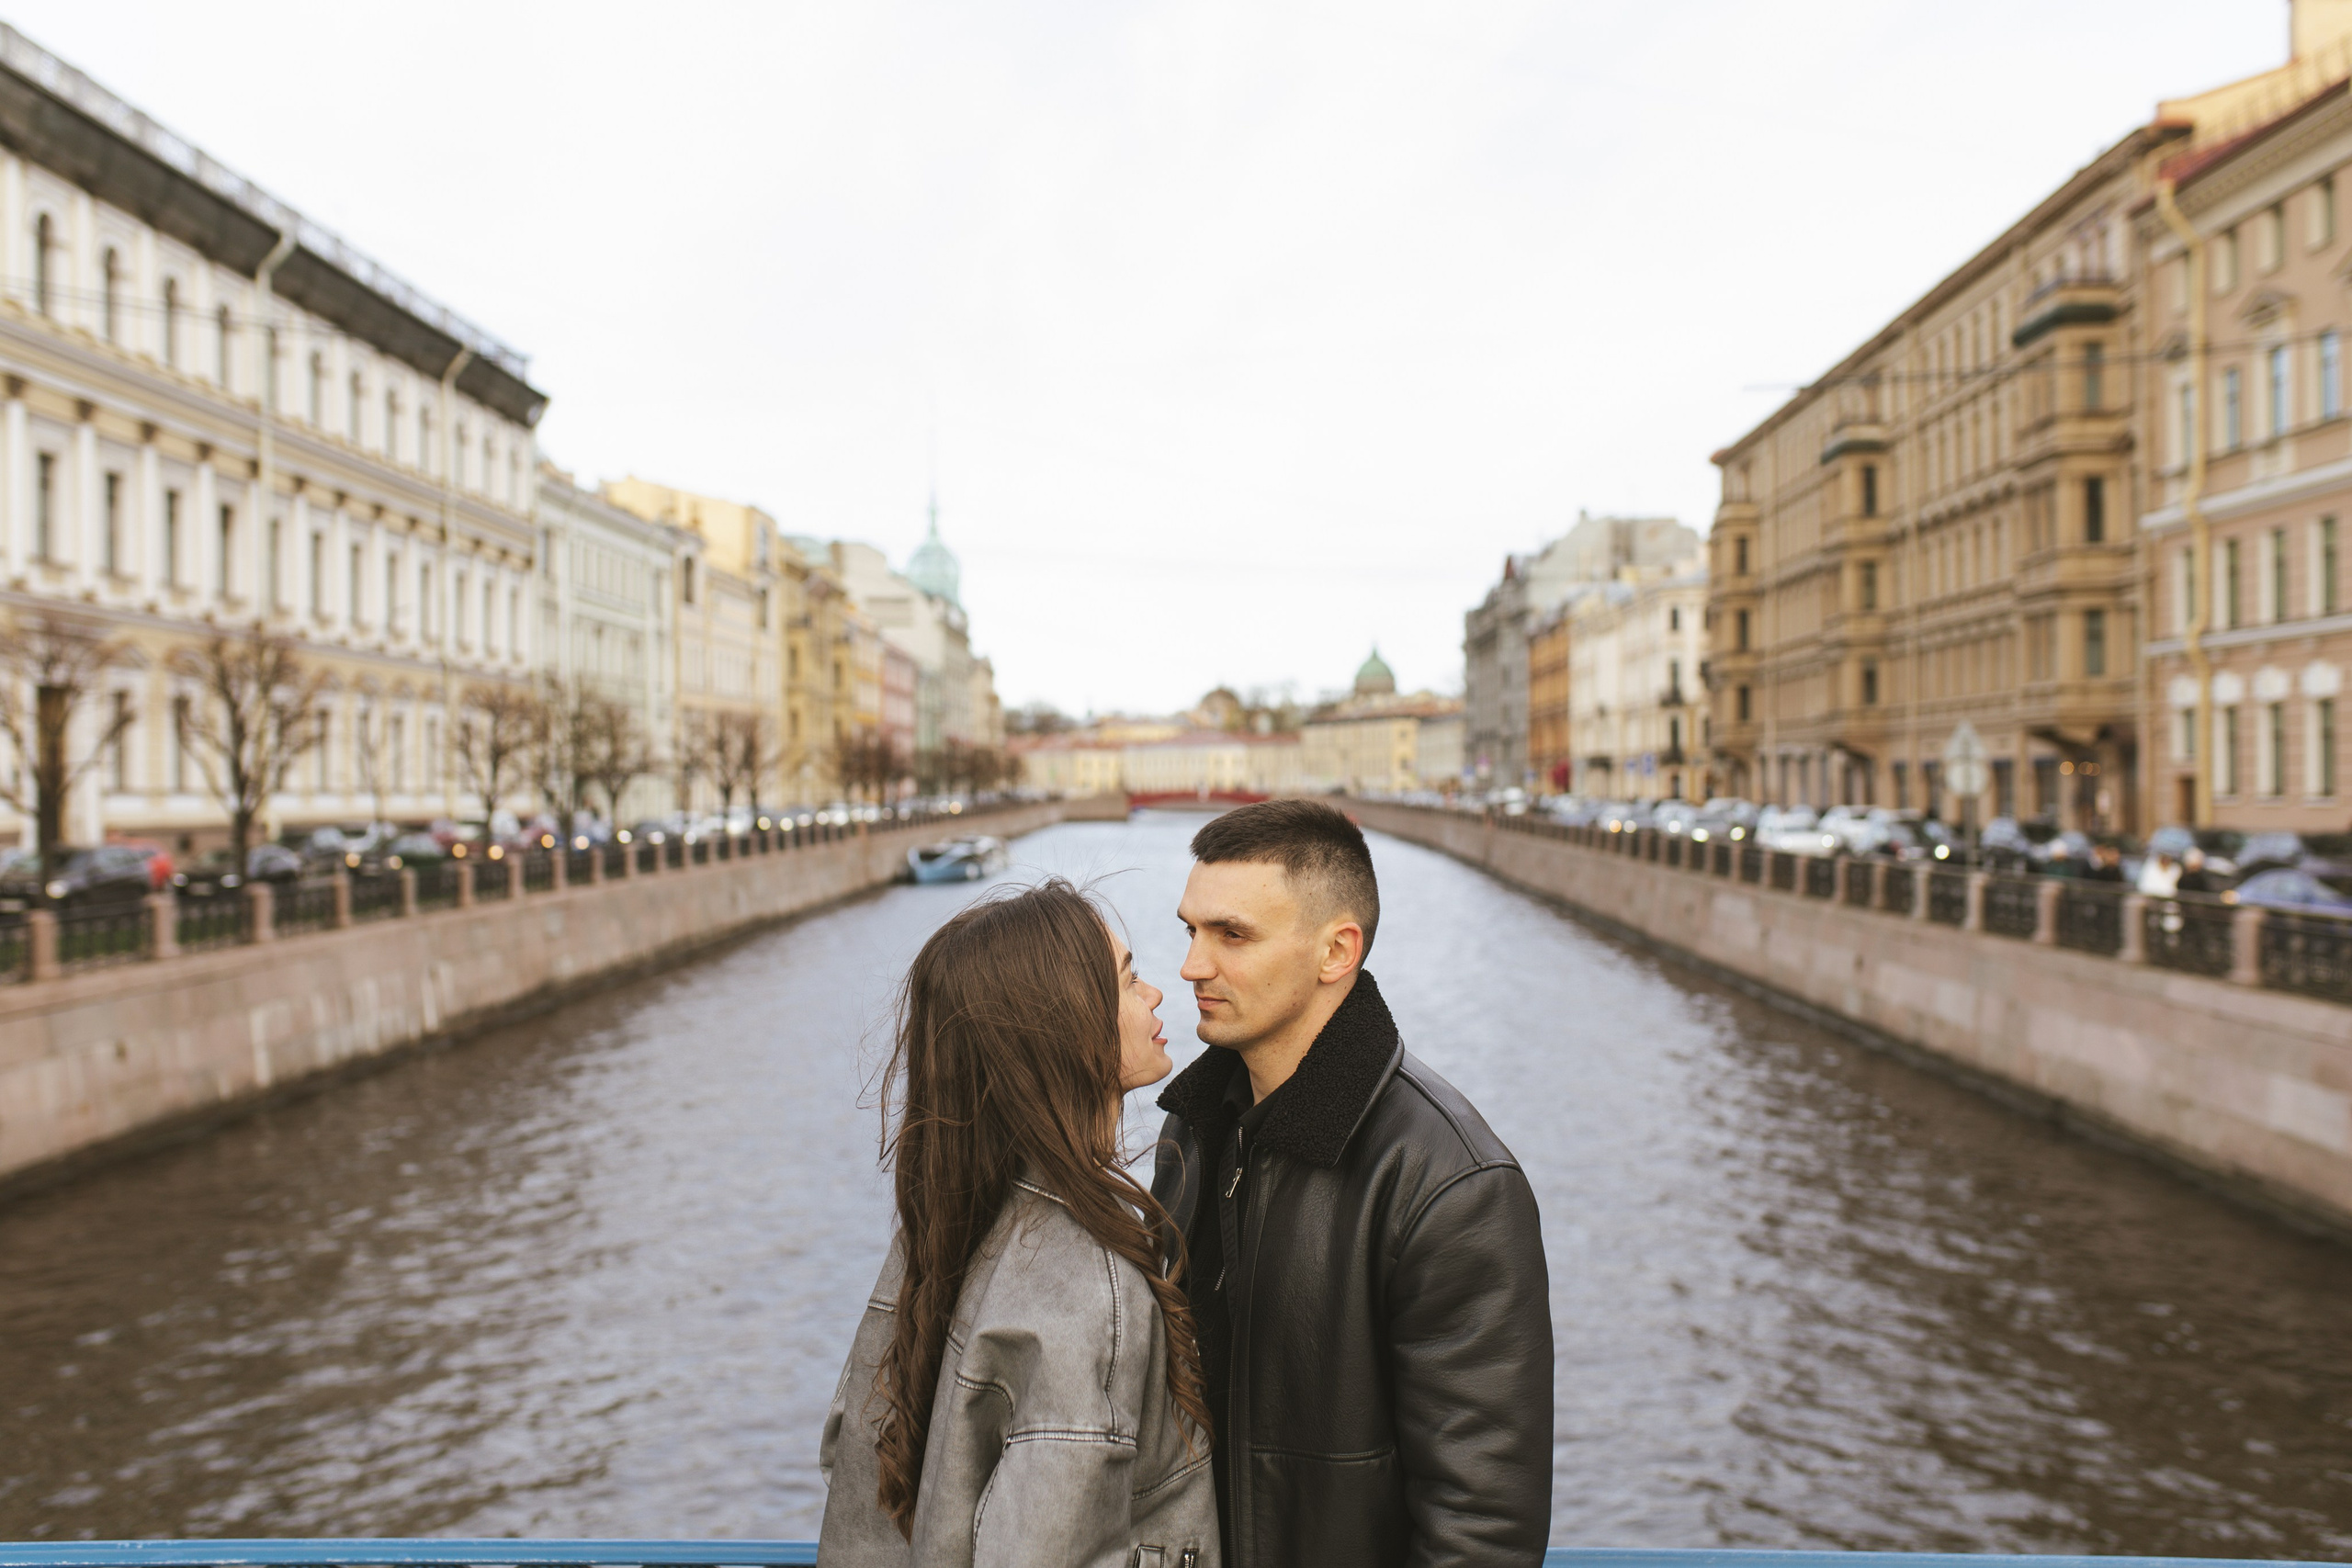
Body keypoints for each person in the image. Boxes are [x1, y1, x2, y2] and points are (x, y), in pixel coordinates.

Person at [1151, 799, 1552, 1568]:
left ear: (1337, 951)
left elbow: (1483, 1530)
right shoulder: (1194, 1129)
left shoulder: (1450, 1182)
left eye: (1231, 934)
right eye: (1190, 930)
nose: (1193, 965)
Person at [819, 879, 1219, 1567]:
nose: (1156, 993)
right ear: (1066, 1024)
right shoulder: (1093, 1284)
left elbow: (854, 1467)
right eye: (1127, 979)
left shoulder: (941, 1225)